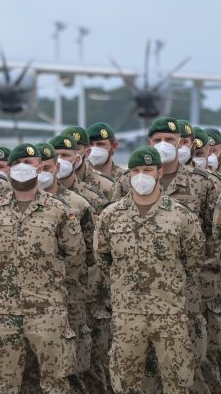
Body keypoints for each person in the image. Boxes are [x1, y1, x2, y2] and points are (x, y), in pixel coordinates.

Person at [112, 116, 219, 391]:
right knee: (141, 375)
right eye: (157, 140)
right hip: (134, 300)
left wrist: (188, 275)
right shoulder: (125, 181)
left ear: (182, 142)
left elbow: (212, 239)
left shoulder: (203, 183)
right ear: (149, 142)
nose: (163, 144)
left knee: (188, 370)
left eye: (169, 140)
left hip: (187, 296)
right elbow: (109, 244)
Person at [0, 143, 84, 393]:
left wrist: (51, 284)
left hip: (47, 309)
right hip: (4, 311)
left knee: (55, 382)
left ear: (40, 167)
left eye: (29, 163)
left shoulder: (58, 209)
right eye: (18, 163)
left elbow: (75, 255)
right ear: (9, 168)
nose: (23, 168)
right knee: (2, 382)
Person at [95, 146, 204, 393]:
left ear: (159, 172)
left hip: (170, 313)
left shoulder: (181, 215)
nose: (141, 176)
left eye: (147, 170)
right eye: (135, 171)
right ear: (129, 174)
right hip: (127, 314)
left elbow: (194, 260)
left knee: (176, 382)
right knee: (126, 383)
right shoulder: (111, 216)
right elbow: (103, 257)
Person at [36, 142, 96, 392]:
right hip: (27, 302)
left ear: (56, 168)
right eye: (36, 167)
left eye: (46, 167)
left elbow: (91, 254)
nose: (41, 173)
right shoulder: (7, 206)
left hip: (70, 298)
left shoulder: (78, 205)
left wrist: (62, 280)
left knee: (74, 368)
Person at [49, 134, 108, 214]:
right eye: (55, 156)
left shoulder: (93, 198)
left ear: (76, 159)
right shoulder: (37, 192)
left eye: (65, 155)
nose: (59, 160)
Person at [63, 125, 115, 201]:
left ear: (87, 152)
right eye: (65, 150)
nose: (70, 154)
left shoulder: (107, 186)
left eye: (77, 149)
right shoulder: (50, 185)